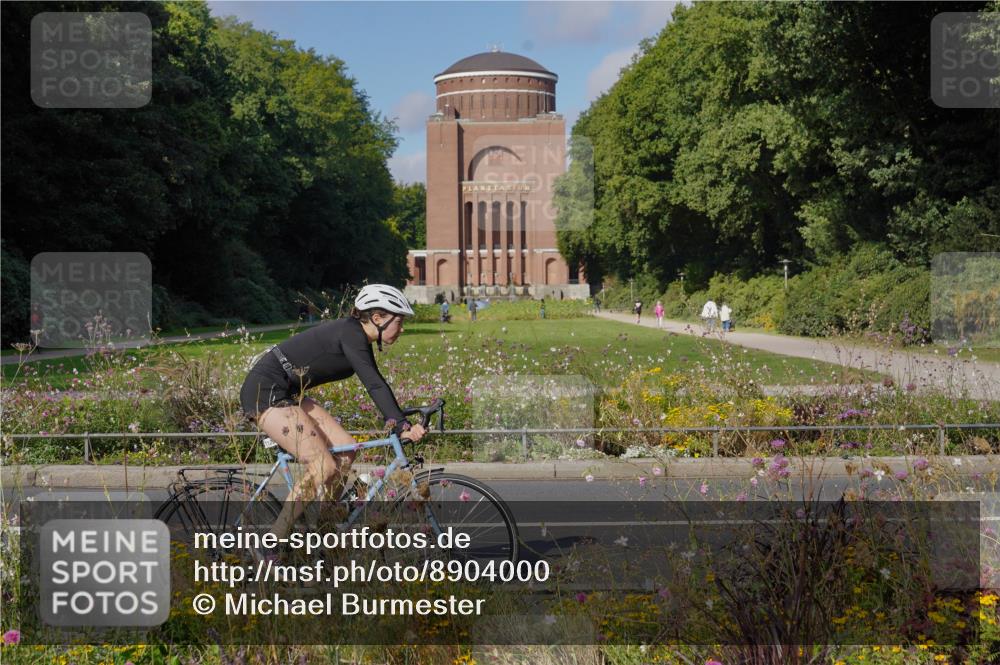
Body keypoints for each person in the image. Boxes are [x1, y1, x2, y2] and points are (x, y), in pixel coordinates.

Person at [239, 284, 426, 561]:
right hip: (266, 391)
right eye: (398, 321)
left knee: (347, 449)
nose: (402, 328)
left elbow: (375, 384)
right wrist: (401, 425)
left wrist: (400, 419)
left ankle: (325, 533)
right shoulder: (351, 334)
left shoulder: (355, 336)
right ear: (377, 318)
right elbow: (374, 384)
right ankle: (270, 543)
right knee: (323, 465)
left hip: (289, 392)